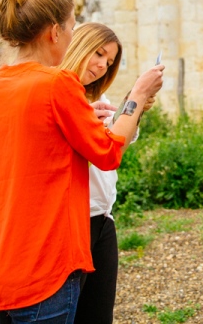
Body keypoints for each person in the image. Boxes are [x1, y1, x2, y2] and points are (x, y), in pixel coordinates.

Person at [0, 0, 164, 323]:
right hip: (44, 273)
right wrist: (137, 94)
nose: (75, 35)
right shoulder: (57, 85)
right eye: (73, 27)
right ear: (54, 32)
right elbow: (108, 153)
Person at [59, 22, 153, 324]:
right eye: (98, 54)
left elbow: (113, 147)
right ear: (78, 45)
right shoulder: (58, 94)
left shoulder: (85, 100)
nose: (102, 66)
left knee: (98, 316)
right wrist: (134, 101)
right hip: (70, 222)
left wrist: (131, 110)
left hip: (102, 219)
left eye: (109, 62)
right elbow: (102, 154)